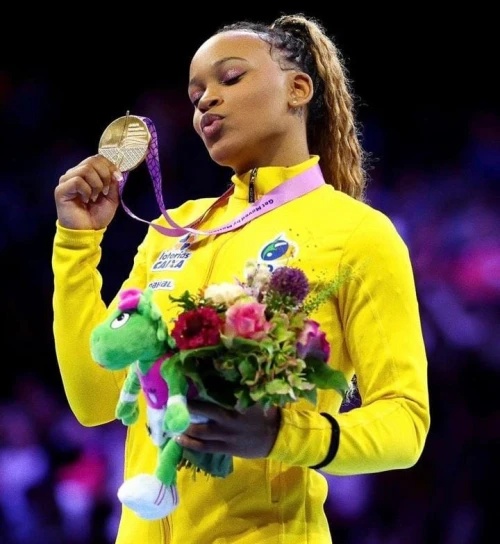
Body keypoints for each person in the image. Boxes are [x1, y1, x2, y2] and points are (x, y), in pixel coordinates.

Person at [52, 13, 430, 544]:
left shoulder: (359, 234)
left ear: (298, 89)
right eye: (195, 94)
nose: (205, 101)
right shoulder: (172, 229)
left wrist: (283, 435)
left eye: (229, 79)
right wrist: (76, 245)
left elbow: (406, 424)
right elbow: (94, 399)